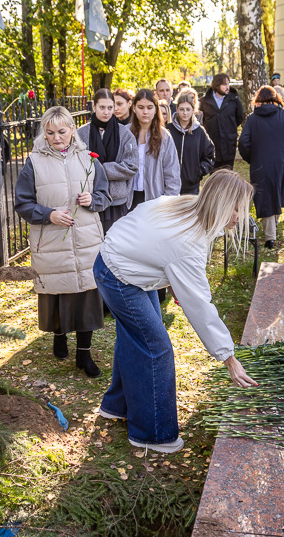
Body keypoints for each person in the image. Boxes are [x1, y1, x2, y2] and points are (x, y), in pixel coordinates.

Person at [94, 170, 258, 453]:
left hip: (125, 262)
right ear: (220, 204)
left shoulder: (191, 206)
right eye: (237, 210)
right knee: (155, 347)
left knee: (138, 340)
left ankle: (116, 406)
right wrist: (229, 358)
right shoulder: (187, 243)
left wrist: (169, 279)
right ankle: (152, 434)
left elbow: (157, 243)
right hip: (118, 273)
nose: (240, 217)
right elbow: (201, 309)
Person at [14, 107, 111, 376]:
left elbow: (104, 193)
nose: (56, 137)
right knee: (59, 292)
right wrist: (49, 215)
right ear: (44, 134)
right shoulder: (34, 162)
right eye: (50, 132)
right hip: (52, 240)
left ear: (72, 130)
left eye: (62, 131)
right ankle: (59, 334)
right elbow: (22, 203)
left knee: (87, 296)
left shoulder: (88, 159)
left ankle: (84, 355)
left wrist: (94, 200)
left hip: (86, 239)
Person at [238, 86, 284, 248]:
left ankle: (270, 237)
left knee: (265, 196)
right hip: (282, 163)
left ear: (258, 100)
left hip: (260, 163)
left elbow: (242, 143)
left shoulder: (253, 119)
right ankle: (271, 233)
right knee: (276, 193)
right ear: (276, 99)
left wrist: (251, 158)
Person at [77, 89, 139, 234]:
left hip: (116, 200)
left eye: (110, 108)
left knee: (116, 245)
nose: (106, 112)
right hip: (90, 199)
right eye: (102, 107)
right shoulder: (81, 133)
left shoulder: (125, 134)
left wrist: (100, 170)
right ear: (94, 107)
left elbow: (132, 166)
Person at [167, 90, 215, 195]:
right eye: (182, 109)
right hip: (169, 185)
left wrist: (198, 171)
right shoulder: (168, 130)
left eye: (188, 109)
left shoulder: (199, 131)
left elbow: (210, 154)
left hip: (191, 186)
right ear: (177, 109)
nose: (185, 113)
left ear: (193, 110)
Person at [200, 73, 245, 171]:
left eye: (228, 84)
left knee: (228, 176)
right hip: (212, 144)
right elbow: (202, 120)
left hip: (229, 144)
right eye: (224, 85)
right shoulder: (205, 101)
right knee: (214, 176)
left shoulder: (234, 99)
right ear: (216, 86)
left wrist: (229, 128)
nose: (227, 87)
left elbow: (239, 117)